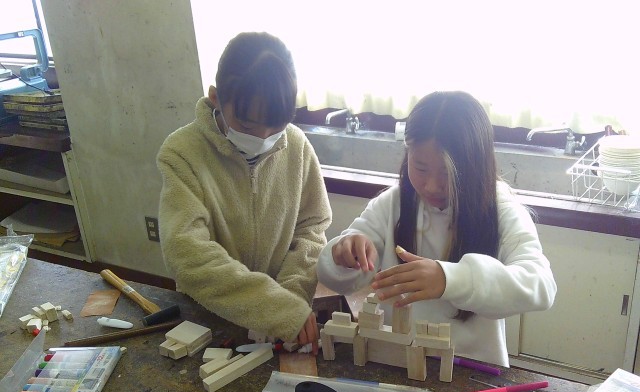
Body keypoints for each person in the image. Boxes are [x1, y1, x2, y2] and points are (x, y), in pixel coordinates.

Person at [317, 91, 556, 366]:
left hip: (471, 371)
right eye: (420, 168)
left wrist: (449, 279)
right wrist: (342, 255)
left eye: (446, 173)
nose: (431, 186)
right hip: (395, 365)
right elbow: (334, 276)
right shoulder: (393, 204)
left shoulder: (500, 209)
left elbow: (540, 284)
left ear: (475, 166)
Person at [156, 32, 331, 354]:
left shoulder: (297, 146)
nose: (263, 137)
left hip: (282, 317)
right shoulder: (182, 152)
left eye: (276, 126)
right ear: (215, 98)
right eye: (248, 126)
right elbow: (187, 252)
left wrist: (290, 298)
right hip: (210, 314)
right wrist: (274, 307)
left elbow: (312, 227)